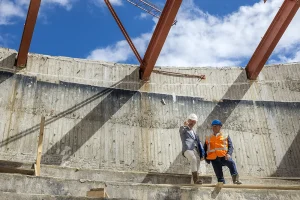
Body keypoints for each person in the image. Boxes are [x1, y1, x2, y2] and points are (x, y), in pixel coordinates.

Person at [204, 119, 242, 184]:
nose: (214, 127)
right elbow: (204, 149)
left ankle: (235, 179)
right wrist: (205, 158)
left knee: (231, 163)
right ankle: (221, 183)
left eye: (216, 126)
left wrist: (229, 154)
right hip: (214, 159)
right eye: (213, 126)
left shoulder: (225, 135)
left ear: (220, 127)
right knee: (219, 175)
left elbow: (230, 146)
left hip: (224, 157)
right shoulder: (208, 138)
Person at [179, 113, 205, 184]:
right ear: (188, 120)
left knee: (198, 161)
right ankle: (196, 179)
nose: (192, 123)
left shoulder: (194, 132)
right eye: (191, 121)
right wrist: (184, 126)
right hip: (187, 149)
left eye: (194, 122)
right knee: (193, 159)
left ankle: (193, 182)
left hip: (194, 150)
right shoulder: (183, 129)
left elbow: (198, 143)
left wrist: (202, 153)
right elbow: (181, 132)